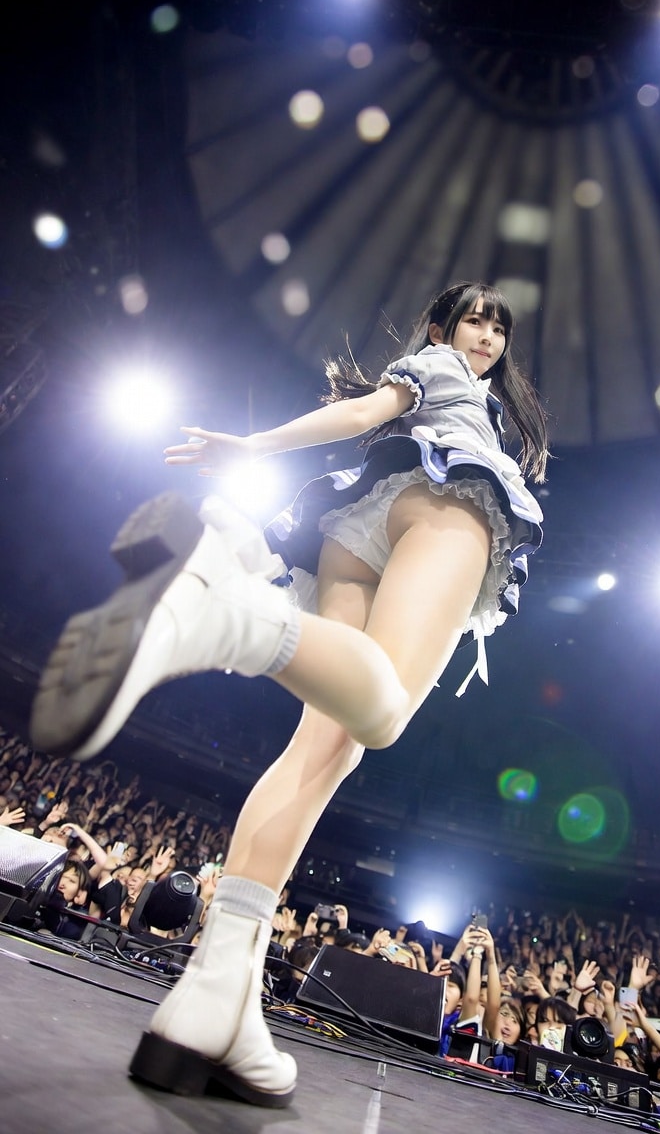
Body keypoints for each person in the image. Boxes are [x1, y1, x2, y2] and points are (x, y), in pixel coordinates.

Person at [28, 281, 548, 1107]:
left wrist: (252, 446)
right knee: (381, 716)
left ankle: (214, 997)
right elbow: (368, 409)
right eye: (474, 319)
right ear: (442, 328)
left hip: (358, 525)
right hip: (443, 505)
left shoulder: (441, 378)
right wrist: (253, 445)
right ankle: (228, 612)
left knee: (321, 750)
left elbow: (366, 412)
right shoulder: (445, 371)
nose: (487, 335)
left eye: (499, 326)